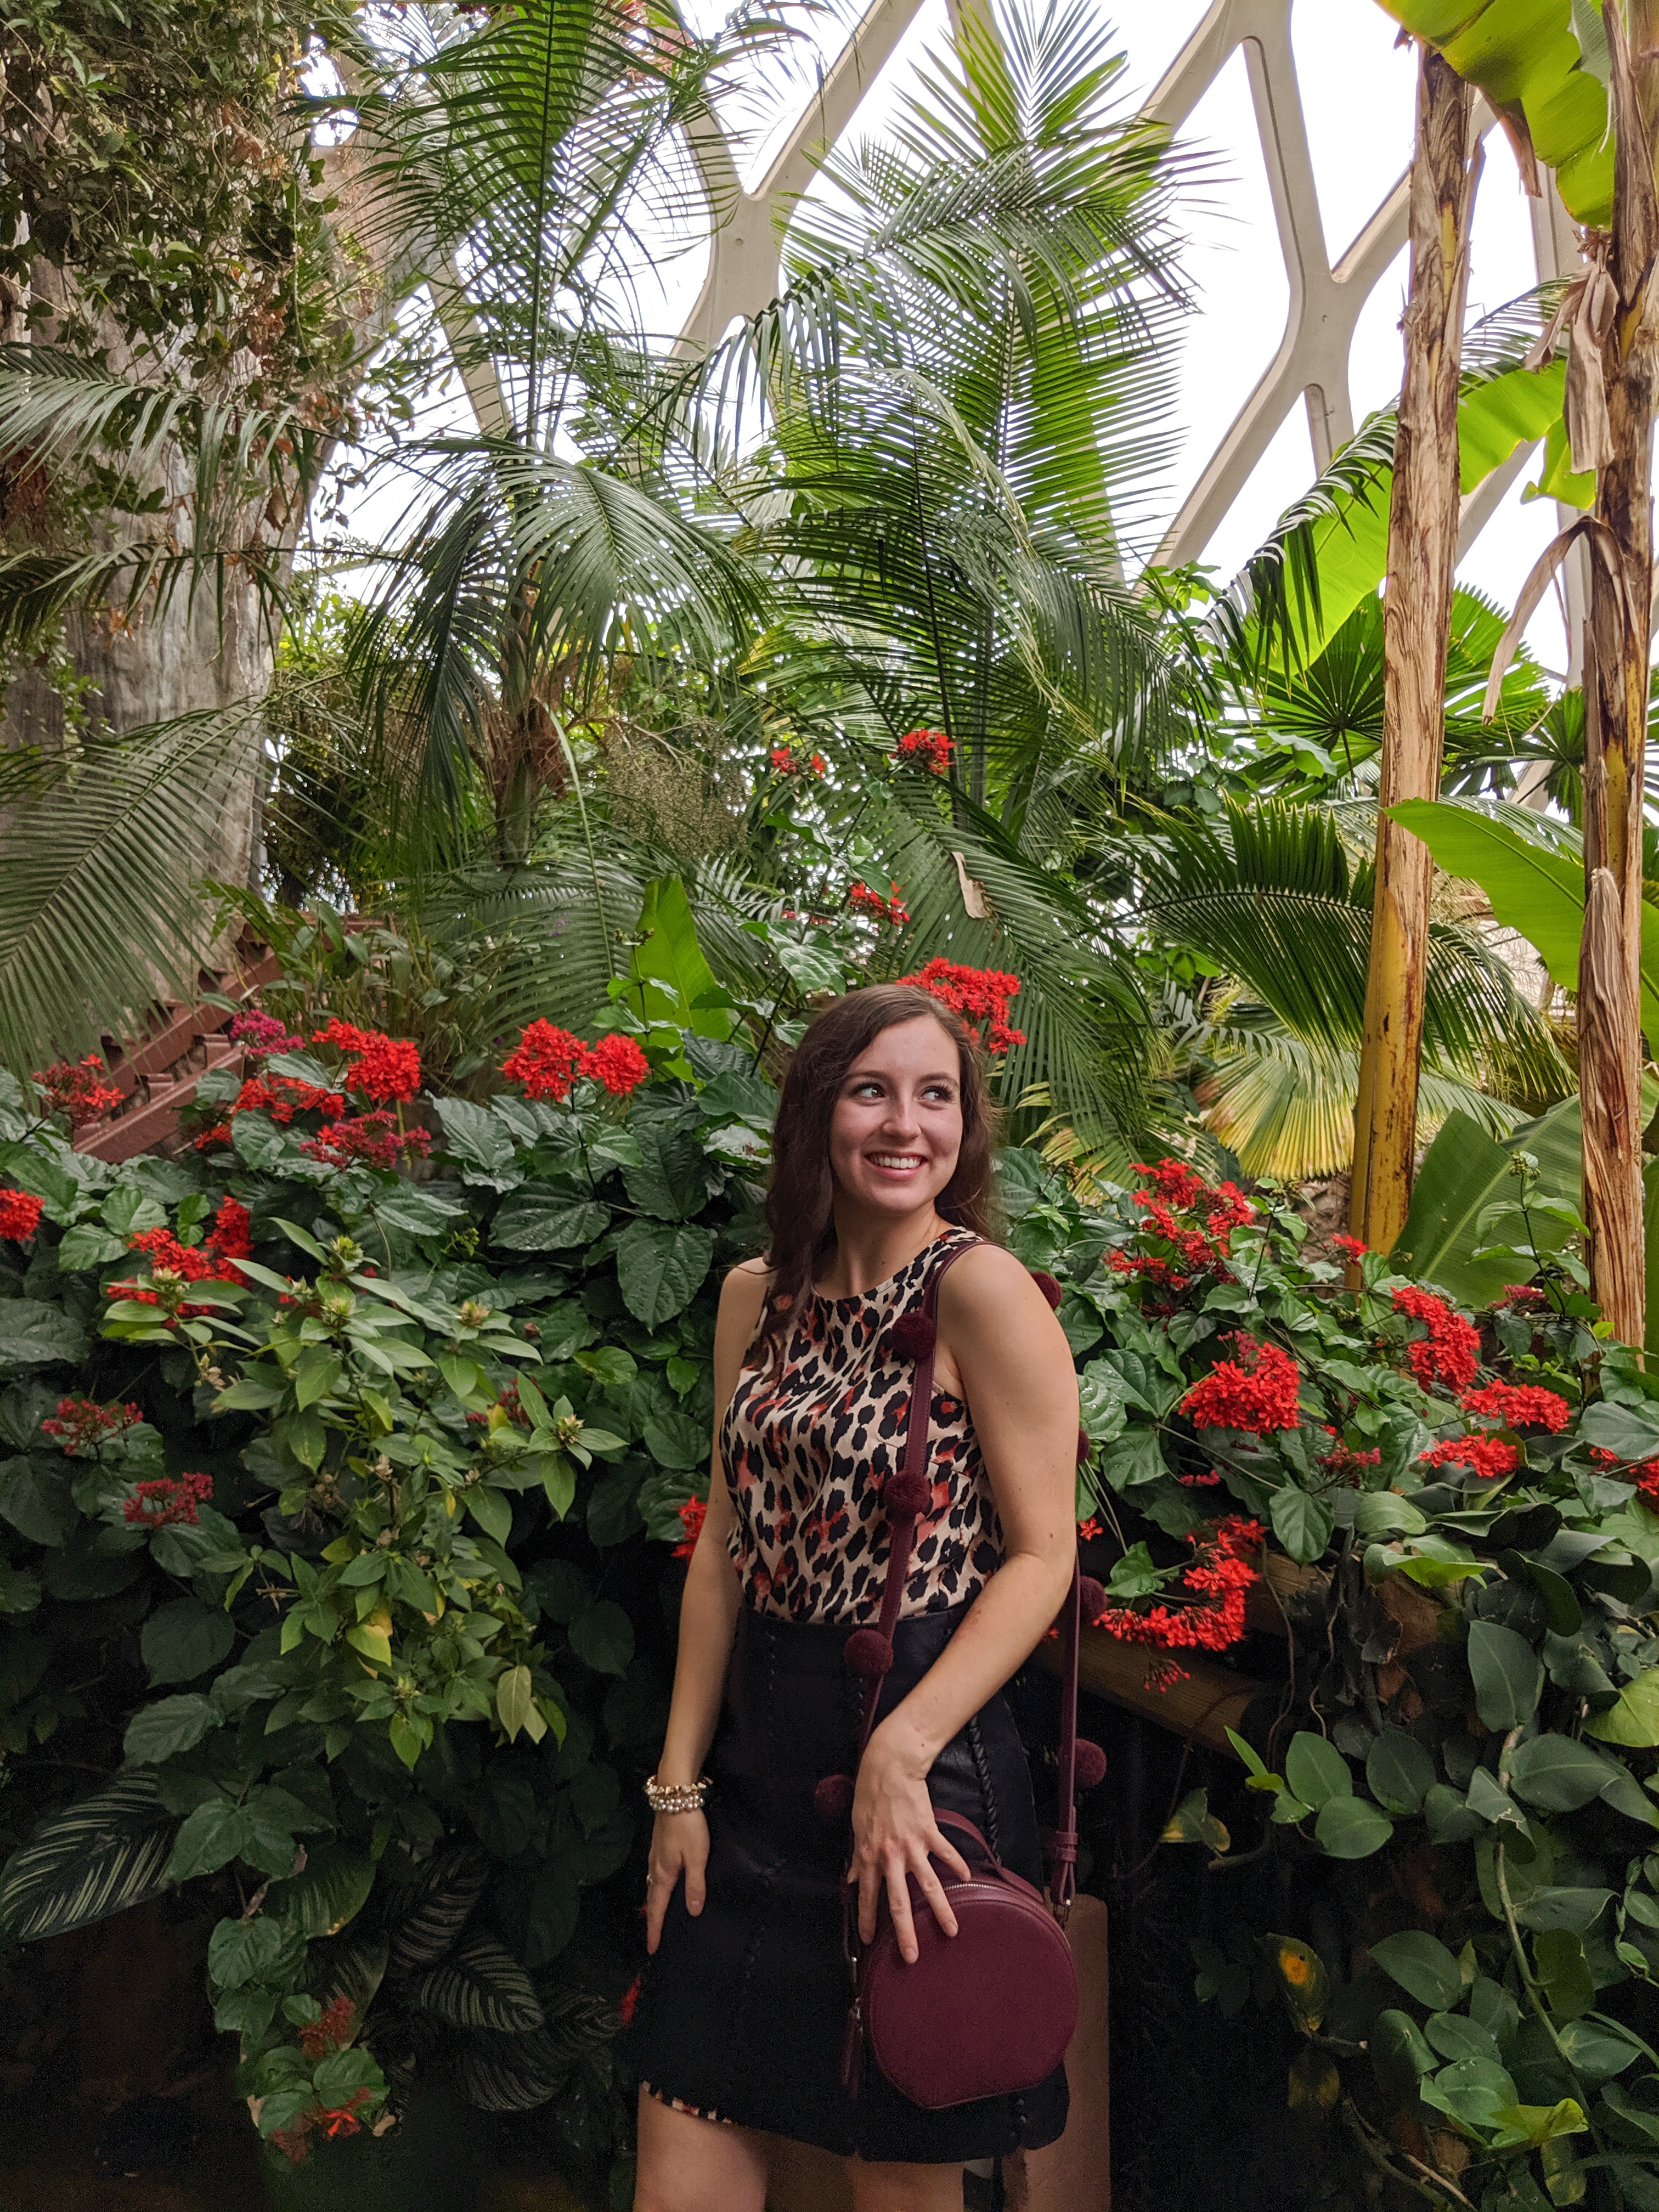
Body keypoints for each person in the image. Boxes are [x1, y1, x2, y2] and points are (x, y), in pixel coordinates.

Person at [630, 984, 1080, 2212]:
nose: (904, 1124)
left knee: (899, 2181)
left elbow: (1044, 1556)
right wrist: (680, 1789)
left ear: (965, 1128)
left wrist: (906, 1744)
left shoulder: (982, 1294)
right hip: (760, 1774)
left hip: (920, 1777)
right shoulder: (753, 1298)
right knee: (679, 2167)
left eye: (935, 1095)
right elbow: (725, 1547)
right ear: (820, 1112)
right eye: (872, 1089)